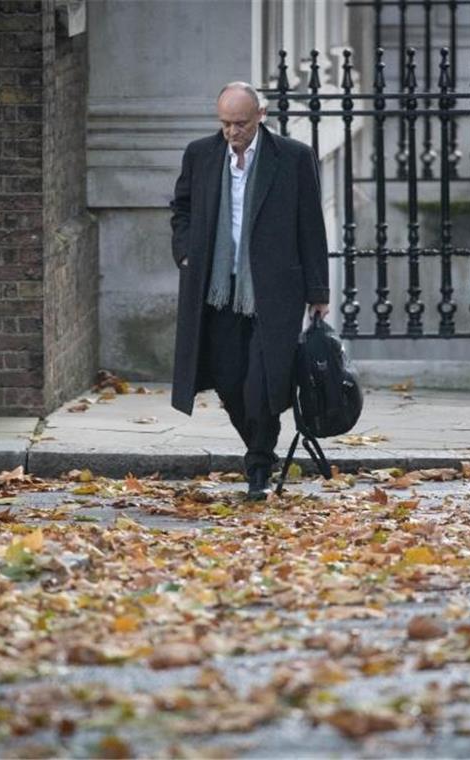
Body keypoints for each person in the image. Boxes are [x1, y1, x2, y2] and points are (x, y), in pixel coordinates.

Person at [169, 81, 330, 500]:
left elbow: (311, 224)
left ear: (261, 116)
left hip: (273, 290)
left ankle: (258, 463)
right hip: (217, 288)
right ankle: (259, 447)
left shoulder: (293, 158)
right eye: (224, 123)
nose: (231, 132)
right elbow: (181, 208)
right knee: (228, 379)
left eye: (239, 123)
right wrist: (185, 252)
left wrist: (318, 291)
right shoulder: (201, 154)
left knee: (263, 384)